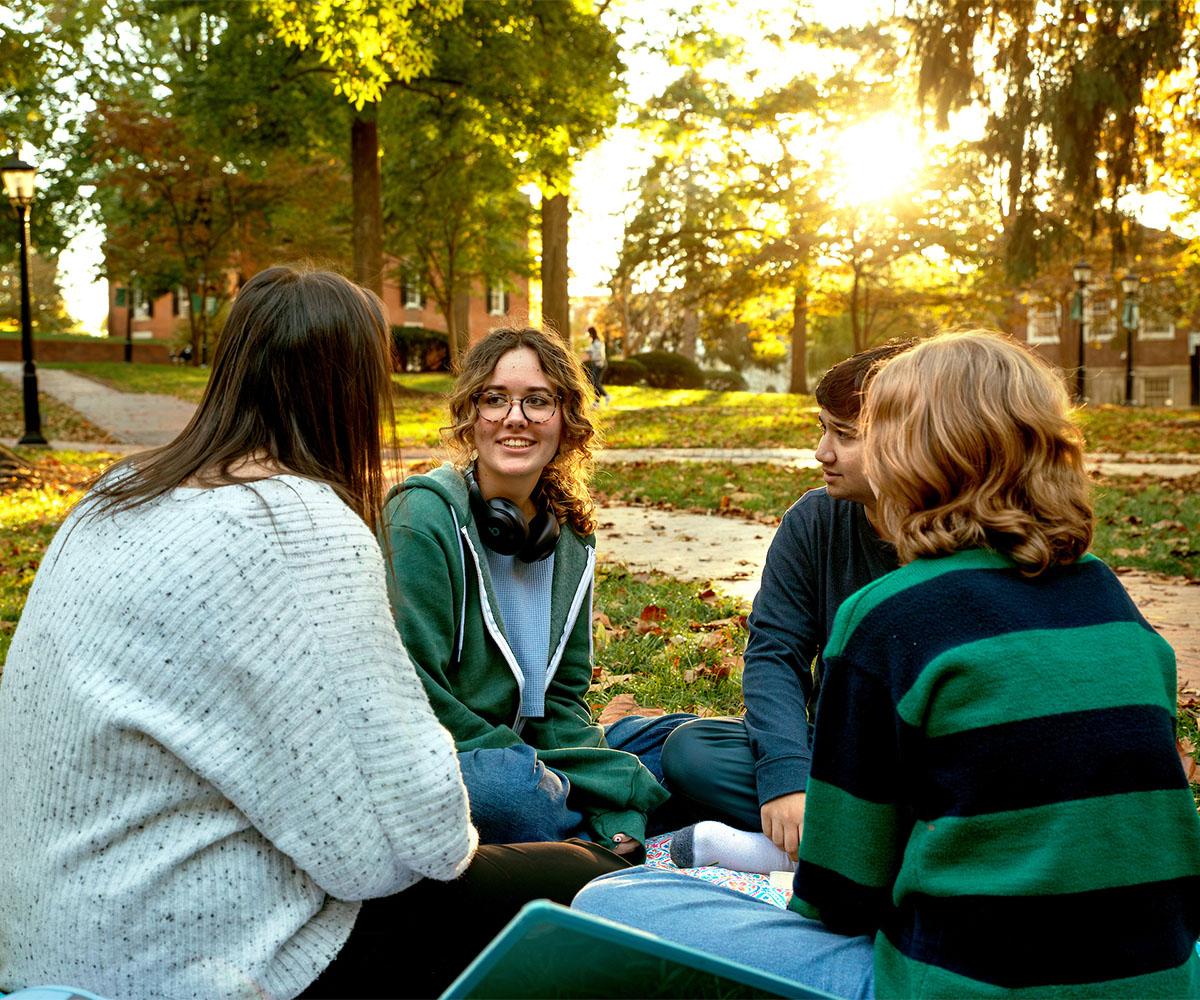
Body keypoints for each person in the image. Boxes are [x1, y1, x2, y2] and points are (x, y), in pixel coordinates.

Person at [0, 266, 627, 1000]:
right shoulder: (302, 522)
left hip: (36, 931)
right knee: (583, 877)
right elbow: (414, 841)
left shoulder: (114, 493)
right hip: (182, 952)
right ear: (350, 390)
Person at [576, 330, 1200, 998]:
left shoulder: (888, 614)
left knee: (610, 903)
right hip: (1163, 979)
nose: (829, 450)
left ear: (919, 451)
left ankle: (711, 839)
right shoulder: (1113, 601)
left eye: (875, 430)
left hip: (950, 984)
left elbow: (843, 903)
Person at [380, 326, 689, 857]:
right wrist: (596, 785)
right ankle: (616, 823)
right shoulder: (420, 519)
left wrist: (576, 771)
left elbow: (564, 697)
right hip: (447, 752)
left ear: (565, 419)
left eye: (538, 401)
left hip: (537, 749)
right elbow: (415, 694)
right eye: (494, 399)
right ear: (469, 416)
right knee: (517, 796)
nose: (515, 417)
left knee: (687, 744)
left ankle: (587, 821)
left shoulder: (569, 532)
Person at [659, 340, 914, 871]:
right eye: (822, 429)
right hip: (831, 757)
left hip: (929, 765)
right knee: (692, 752)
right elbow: (775, 652)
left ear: (906, 438)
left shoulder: (965, 535)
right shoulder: (815, 521)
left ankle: (806, 855)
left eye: (844, 436)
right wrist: (786, 775)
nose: (822, 452)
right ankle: (850, 844)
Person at [584, 325, 610, 403]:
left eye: (589, 333)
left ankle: (606, 395)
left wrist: (599, 362)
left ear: (592, 333)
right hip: (596, 364)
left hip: (600, 364)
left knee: (595, 381)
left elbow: (600, 354)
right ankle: (597, 402)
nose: (589, 335)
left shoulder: (598, 342)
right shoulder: (594, 342)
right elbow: (591, 352)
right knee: (595, 382)